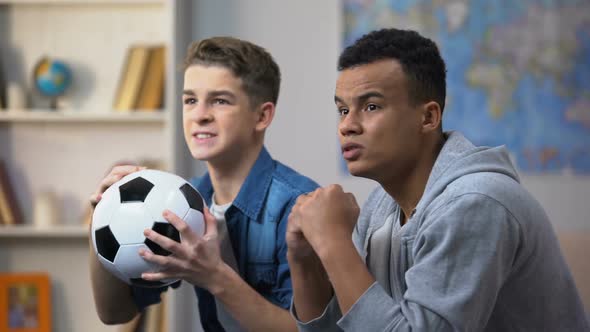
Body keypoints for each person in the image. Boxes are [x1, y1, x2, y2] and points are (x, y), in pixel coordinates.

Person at [286, 28, 589, 331]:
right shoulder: (381, 206)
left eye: (371, 106)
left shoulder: (476, 202)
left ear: (428, 118)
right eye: (342, 109)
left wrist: (333, 242)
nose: (347, 125)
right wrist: (303, 261)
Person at [89, 36, 318, 331]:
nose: (199, 115)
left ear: (262, 116)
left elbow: (309, 330)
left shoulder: (300, 205)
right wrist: (101, 219)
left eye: (220, 101)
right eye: (190, 100)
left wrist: (213, 275)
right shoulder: (179, 201)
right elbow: (114, 313)